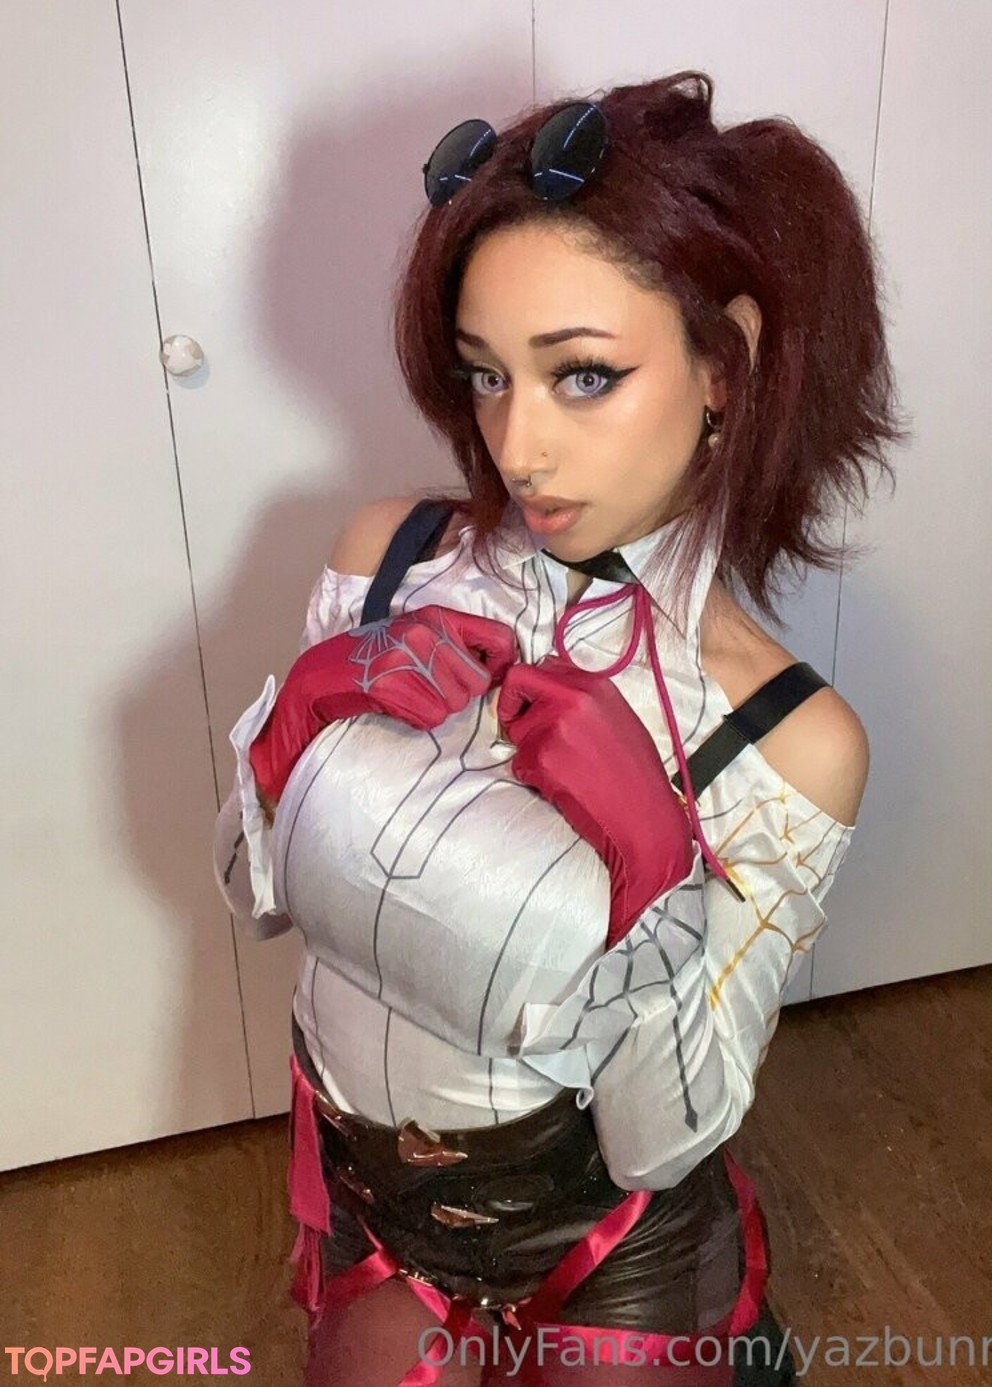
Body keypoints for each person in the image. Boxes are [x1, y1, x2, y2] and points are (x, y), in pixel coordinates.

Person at [213, 69, 902, 1386]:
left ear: (725, 366)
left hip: (606, 1234)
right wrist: (287, 731)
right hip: (372, 1203)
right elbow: (259, 896)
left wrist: (651, 881)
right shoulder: (390, 563)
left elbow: (663, 1137)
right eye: (486, 375)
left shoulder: (785, 738)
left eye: (583, 375)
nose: (516, 446)